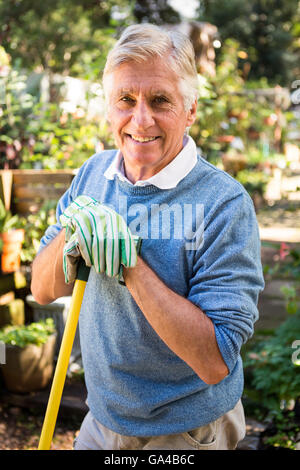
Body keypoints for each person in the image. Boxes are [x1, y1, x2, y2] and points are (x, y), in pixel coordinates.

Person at [31, 23, 265, 451]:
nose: (141, 120)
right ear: (108, 108)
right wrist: (70, 234)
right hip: (102, 418)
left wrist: (131, 265)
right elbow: (42, 289)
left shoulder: (223, 204)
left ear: (190, 109)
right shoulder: (92, 177)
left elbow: (215, 361)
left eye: (160, 101)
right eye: (125, 100)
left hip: (188, 429)